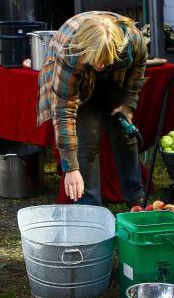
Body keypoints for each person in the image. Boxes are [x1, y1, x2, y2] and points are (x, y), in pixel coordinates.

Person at [37, 12, 147, 206]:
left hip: (114, 76)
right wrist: (71, 168)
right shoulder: (71, 53)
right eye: (97, 60)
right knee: (87, 140)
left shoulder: (132, 41)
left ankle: (136, 197)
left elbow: (138, 68)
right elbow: (64, 112)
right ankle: (90, 207)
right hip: (79, 77)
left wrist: (128, 104)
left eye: (104, 59)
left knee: (124, 133)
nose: (100, 64)